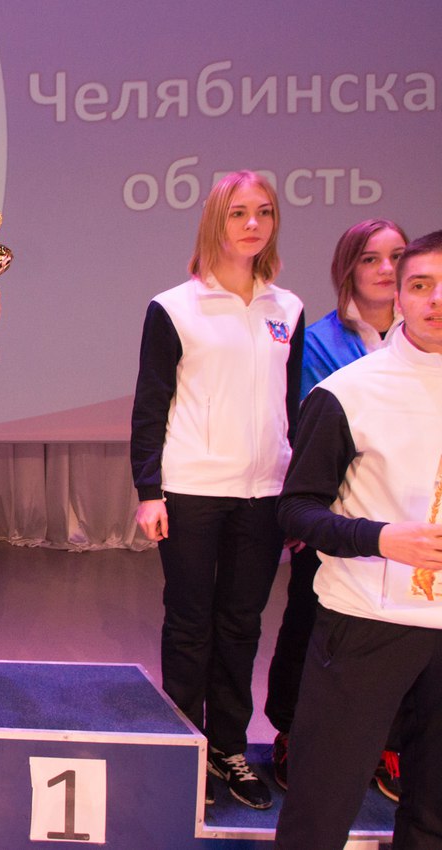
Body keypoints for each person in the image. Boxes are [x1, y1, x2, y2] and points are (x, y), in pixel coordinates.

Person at [129, 171, 303, 810]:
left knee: (242, 625)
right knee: (190, 624)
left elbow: (290, 407)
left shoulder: (288, 309)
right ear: (214, 222)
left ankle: (229, 749)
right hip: (191, 491)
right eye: (238, 213)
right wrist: (150, 490)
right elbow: (151, 405)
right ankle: (186, 749)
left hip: (265, 493)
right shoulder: (174, 308)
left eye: (264, 212)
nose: (253, 224)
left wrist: (297, 495)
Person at [273, 229, 442, 849]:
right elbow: (296, 511)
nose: (436, 299)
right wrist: (381, 538)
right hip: (367, 621)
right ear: (399, 298)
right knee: (320, 813)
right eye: (421, 285)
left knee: (434, 817)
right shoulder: (348, 392)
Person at [265, 219, 408, 796]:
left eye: (397, 256)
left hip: (406, 517)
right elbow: (299, 428)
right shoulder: (319, 341)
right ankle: (290, 731)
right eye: (371, 258)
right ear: (348, 268)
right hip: (333, 517)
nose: (386, 269)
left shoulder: (425, 339)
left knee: (401, 636)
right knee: (308, 621)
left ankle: (387, 744)